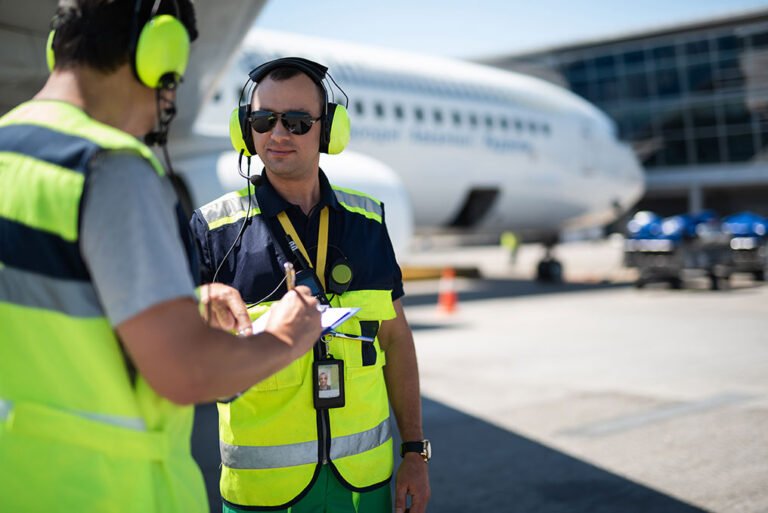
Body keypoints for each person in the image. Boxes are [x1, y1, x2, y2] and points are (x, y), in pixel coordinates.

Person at [0, 2, 321, 512]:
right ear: (159, 56)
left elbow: (52, 316)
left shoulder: (9, 151)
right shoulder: (111, 170)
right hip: (109, 491)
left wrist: (176, 302)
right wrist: (288, 335)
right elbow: (187, 372)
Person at [189, 57, 431, 513]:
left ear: (329, 131)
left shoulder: (367, 223)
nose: (278, 134)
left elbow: (396, 341)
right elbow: (177, 347)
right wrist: (197, 302)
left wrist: (415, 453)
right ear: (246, 128)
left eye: (298, 122)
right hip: (263, 496)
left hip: (365, 487)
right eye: (263, 120)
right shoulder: (214, 228)